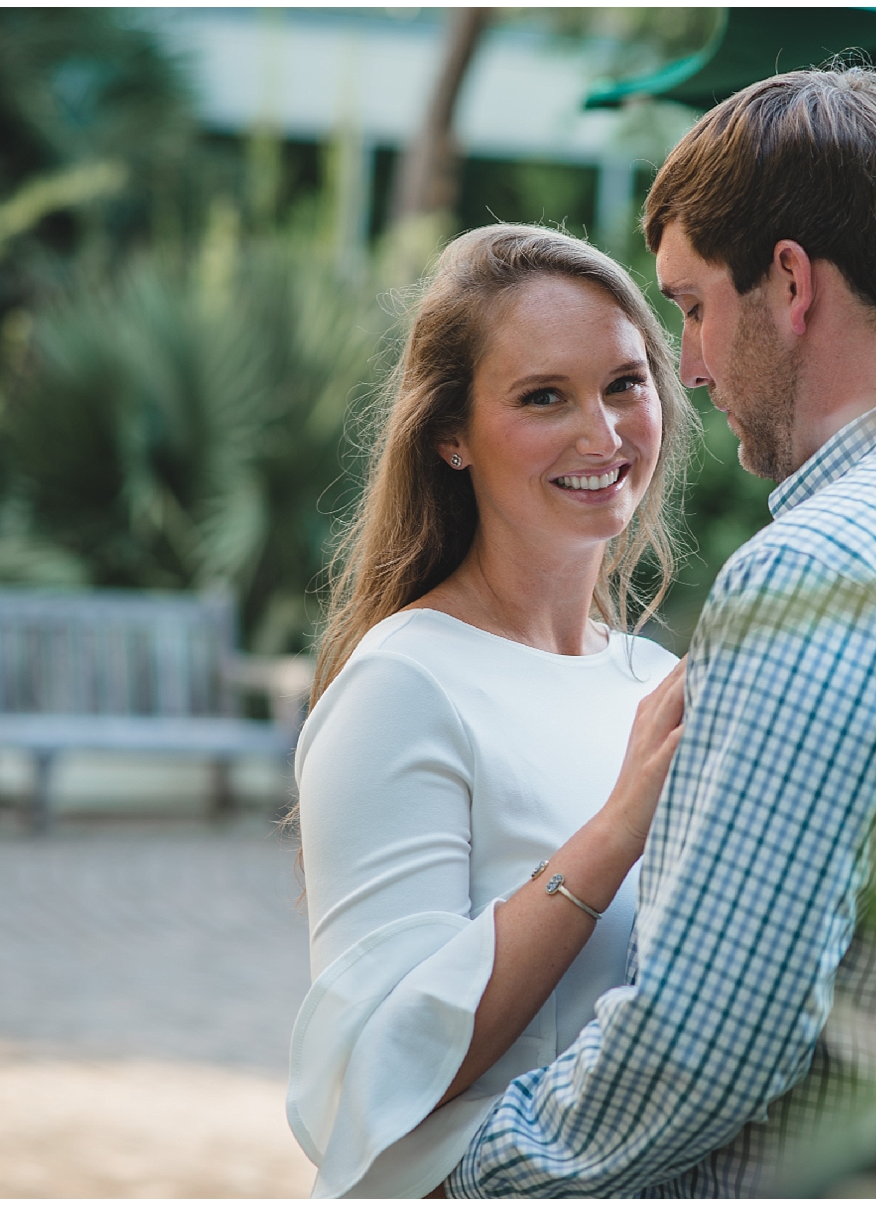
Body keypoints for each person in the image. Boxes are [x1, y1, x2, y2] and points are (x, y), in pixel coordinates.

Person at [446, 67, 876, 1196]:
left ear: (787, 283)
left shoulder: (821, 571)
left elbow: (709, 1037)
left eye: (692, 306)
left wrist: (487, 1178)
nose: (688, 366)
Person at [285, 225, 698, 1198]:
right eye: (543, 397)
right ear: (452, 437)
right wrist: (617, 832)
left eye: (625, 385)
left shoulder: (657, 677)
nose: (601, 435)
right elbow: (372, 1081)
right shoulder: (405, 684)